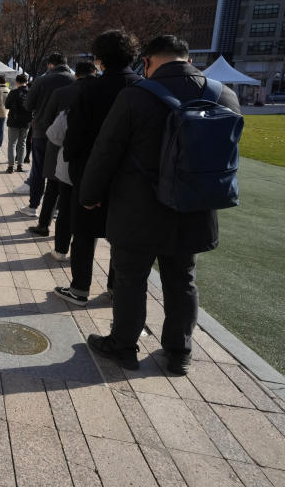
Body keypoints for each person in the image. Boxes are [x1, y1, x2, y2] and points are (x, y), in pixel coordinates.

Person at [80, 35, 240, 374]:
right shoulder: (223, 94)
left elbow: (105, 152)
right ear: (188, 58)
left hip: (140, 208)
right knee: (182, 279)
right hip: (195, 205)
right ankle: (179, 352)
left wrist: (90, 196)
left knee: (130, 277)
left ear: (149, 61)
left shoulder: (136, 96)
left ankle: (123, 345)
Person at [55, 30, 142, 306]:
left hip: (89, 170)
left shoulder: (90, 88)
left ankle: (80, 288)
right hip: (131, 176)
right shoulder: (143, 87)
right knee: (122, 235)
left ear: (100, 59)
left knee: (84, 232)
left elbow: (74, 133)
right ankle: (116, 287)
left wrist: (71, 159)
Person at [27, 61, 97, 241]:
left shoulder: (61, 92)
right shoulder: (102, 92)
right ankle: (77, 234)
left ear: (77, 74)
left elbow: (47, 120)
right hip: (92, 152)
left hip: (59, 147)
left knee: (54, 188)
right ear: (95, 71)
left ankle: (44, 225)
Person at [19, 52, 74, 217]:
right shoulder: (75, 81)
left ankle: (33, 206)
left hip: (42, 132)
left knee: (39, 170)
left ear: (51, 65)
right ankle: (57, 208)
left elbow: (28, 105)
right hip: (68, 132)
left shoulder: (42, 81)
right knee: (61, 171)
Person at [4, 73, 31, 174]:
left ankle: (11, 166)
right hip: (26, 122)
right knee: (22, 143)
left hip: (13, 121)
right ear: (26, 82)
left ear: (17, 82)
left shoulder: (13, 92)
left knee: (12, 144)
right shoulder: (30, 92)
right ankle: (20, 165)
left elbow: (6, 105)